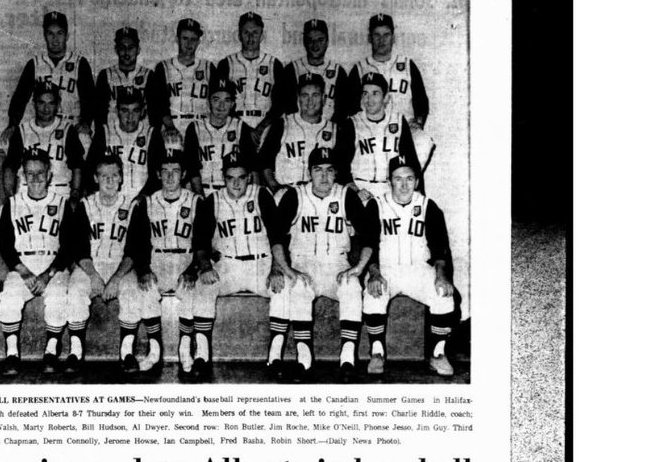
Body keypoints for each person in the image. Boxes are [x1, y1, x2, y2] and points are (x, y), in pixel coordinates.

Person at [268, 148, 375, 381]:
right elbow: (276, 238)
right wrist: (288, 270)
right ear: (309, 172)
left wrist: (358, 268)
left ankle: (348, 358)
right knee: (297, 287)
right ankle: (304, 359)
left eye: (329, 170)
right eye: (318, 170)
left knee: (352, 287)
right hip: (302, 261)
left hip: (336, 262)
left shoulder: (346, 194)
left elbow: (369, 237)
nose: (324, 176)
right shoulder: (295, 195)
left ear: (336, 173)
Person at [189, 152, 291, 380]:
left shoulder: (262, 195)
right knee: (203, 287)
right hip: (228, 265)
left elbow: (277, 236)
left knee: (284, 288)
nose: (236, 183)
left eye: (242, 177)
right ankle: (202, 357)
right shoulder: (213, 200)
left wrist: (276, 267)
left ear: (249, 178)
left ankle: (275, 358)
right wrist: (205, 267)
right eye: (230, 177)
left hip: (261, 264)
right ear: (222, 178)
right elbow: (200, 242)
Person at [362, 155, 456, 377]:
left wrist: (441, 275)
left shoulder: (428, 206)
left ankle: (437, 354)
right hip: (386, 268)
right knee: (373, 293)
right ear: (390, 181)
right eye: (398, 179)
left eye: (409, 179)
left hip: (418, 269)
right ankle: (377, 352)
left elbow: (440, 248)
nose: (404, 185)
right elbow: (368, 245)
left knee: (444, 294)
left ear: (416, 181)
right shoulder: (377, 205)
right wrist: (374, 273)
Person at [0, 149, 88, 376]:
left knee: (58, 295)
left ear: (49, 175)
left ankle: (51, 352)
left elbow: (68, 247)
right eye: (30, 173)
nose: (35, 178)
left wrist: (48, 274)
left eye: (40, 173)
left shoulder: (62, 203)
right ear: (22, 177)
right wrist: (25, 273)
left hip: (52, 265)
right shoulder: (11, 204)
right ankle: (11, 354)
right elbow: (6, 248)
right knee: (9, 296)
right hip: (22, 265)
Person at [132, 152, 215, 376]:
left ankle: (185, 347)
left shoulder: (197, 201)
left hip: (185, 259)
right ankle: (155, 349)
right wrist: (143, 269)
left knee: (190, 289)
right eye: (165, 172)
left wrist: (193, 269)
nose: (170, 177)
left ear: (184, 174)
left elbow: (203, 242)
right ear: (158, 174)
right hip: (157, 259)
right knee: (146, 288)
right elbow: (137, 243)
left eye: (175, 171)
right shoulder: (147, 202)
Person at [69, 155, 150, 374]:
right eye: (104, 176)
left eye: (114, 175)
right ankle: (75, 352)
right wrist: (94, 276)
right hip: (90, 265)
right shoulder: (85, 204)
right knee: (75, 289)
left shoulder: (133, 205)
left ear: (122, 177)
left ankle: (127, 352)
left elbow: (136, 249)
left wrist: (115, 279)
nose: (110, 181)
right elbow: (78, 248)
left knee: (133, 291)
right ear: (95, 178)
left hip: (121, 267)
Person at [346, 14, 435, 169]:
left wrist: (418, 122)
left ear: (393, 37)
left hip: (404, 129)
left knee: (424, 141)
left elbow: (421, 101)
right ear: (369, 38)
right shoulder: (360, 69)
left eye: (386, 35)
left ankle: (408, 184)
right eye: (377, 35)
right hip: (370, 132)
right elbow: (350, 107)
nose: (382, 40)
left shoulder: (407, 65)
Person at [3, 11, 95, 142]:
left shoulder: (79, 63)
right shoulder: (34, 64)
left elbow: (90, 99)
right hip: (42, 125)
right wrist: (12, 124)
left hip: (71, 125)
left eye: (60, 33)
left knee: (85, 142)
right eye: (50, 33)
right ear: (44, 36)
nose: (55, 39)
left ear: (67, 35)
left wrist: (86, 122)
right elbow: (20, 98)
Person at [334, 72, 418, 204]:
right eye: (365, 93)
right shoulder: (352, 123)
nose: (369, 99)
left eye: (375, 93)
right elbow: (340, 165)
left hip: (390, 188)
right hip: (360, 187)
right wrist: (355, 191)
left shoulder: (398, 121)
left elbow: (411, 160)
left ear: (386, 98)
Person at [259, 73, 338, 202]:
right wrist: (276, 188)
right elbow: (265, 162)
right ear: (298, 98)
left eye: (315, 95)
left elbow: (339, 169)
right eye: (304, 95)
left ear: (324, 99)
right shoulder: (283, 124)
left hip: (321, 196)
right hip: (287, 190)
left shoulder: (334, 129)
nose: (310, 101)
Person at [2, 81, 85, 200]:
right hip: (27, 191)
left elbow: (77, 166)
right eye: (41, 103)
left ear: (58, 104)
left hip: (60, 191)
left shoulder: (67, 129)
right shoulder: (22, 130)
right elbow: (10, 167)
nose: (46, 109)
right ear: (34, 103)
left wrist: (75, 195)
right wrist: (9, 197)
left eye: (51, 103)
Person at [215, 11, 285, 149]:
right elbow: (221, 101)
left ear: (262, 35)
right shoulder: (226, 64)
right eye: (246, 32)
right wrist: (244, 129)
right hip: (235, 125)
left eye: (255, 32)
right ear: (239, 35)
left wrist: (262, 127)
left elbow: (280, 103)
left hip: (266, 127)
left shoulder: (274, 64)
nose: (251, 37)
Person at [147, 18, 217, 150]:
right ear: (177, 39)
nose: (189, 43)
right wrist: (170, 127)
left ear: (198, 42)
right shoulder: (164, 67)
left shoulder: (208, 67)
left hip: (201, 126)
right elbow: (157, 103)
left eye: (193, 39)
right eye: (185, 38)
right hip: (173, 126)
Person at [86, 87, 164, 199]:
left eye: (135, 110)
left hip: (142, 199)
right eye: (125, 110)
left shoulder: (151, 134)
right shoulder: (105, 132)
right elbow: (90, 169)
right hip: (109, 199)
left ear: (142, 112)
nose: (130, 117)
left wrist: (142, 198)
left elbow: (157, 176)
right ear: (117, 111)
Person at [184, 77, 256, 194]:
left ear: (232, 104)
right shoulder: (195, 128)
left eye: (227, 100)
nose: (221, 106)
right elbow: (193, 170)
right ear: (208, 102)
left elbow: (252, 167)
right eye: (216, 99)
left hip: (233, 193)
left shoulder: (240, 127)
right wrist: (201, 198)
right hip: (204, 190)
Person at [282, 19, 349, 122]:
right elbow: (288, 108)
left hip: (329, 131)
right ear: (304, 42)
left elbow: (342, 110)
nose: (315, 45)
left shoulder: (338, 71)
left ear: (327, 42)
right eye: (310, 40)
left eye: (320, 40)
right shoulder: (292, 69)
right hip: (297, 130)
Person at [94, 26, 153, 127]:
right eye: (122, 48)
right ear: (116, 49)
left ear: (138, 49)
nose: (126, 52)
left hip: (142, 133)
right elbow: (99, 112)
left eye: (131, 47)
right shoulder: (106, 75)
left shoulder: (149, 75)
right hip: (112, 133)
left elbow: (154, 111)